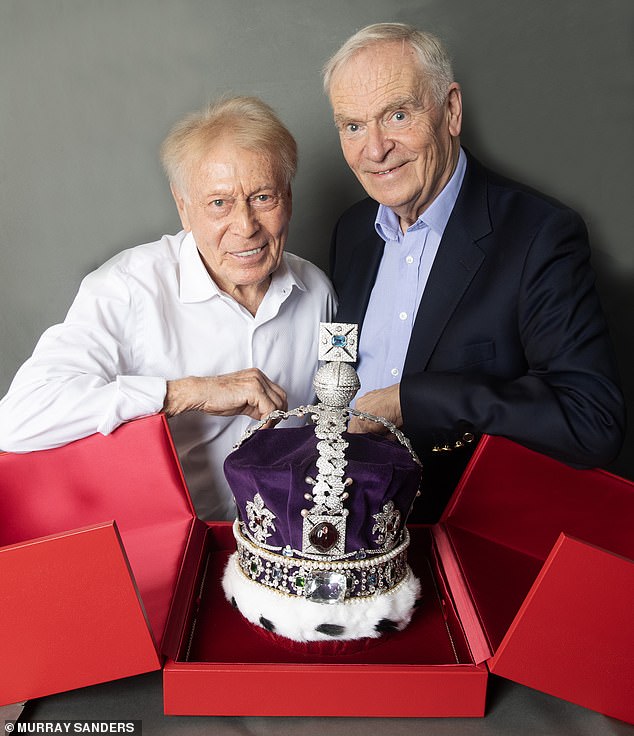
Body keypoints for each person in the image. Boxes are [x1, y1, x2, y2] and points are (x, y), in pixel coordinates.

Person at [323, 23, 625, 521]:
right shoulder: (353, 232)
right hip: (351, 532)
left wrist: (414, 401)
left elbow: (591, 422)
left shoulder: (539, 235)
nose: (375, 150)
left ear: (452, 110)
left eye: (397, 115)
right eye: (353, 126)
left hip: (468, 535)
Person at [0, 96, 336, 520]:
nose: (246, 226)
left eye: (263, 197)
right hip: (165, 552)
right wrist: (183, 392)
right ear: (183, 207)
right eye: (219, 203)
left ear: (288, 197)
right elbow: (18, 418)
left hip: (287, 548)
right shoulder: (127, 289)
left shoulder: (318, 292)